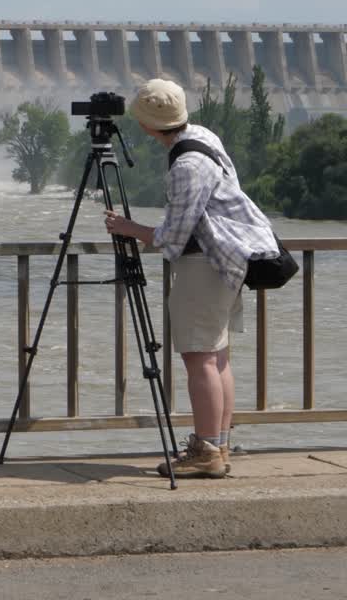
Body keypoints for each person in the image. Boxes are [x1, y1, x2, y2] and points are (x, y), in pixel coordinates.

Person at [103, 78, 279, 479]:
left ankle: (205, 452)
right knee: (216, 357)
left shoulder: (186, 165)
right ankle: (218, 445)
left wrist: (129, 227)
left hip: (205, 267)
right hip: (229, 261)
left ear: (149, 125)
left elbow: (172, 239)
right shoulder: (203, 137)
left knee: (199, 358)